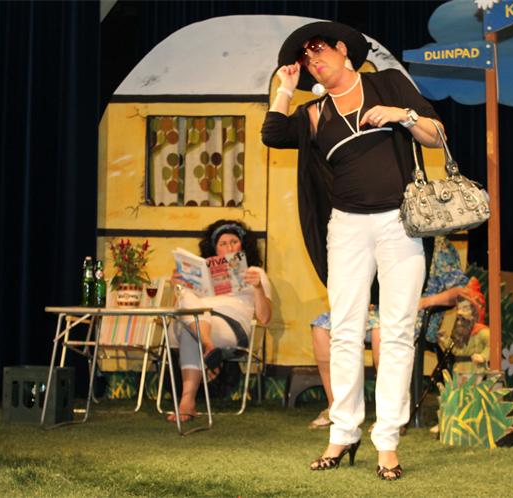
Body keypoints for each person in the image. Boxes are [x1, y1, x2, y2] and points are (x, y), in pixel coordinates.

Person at [262, 21, 445, 480]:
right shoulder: (314, 111)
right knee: (345, 330)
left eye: (319, 51)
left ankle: (388, 442)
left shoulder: (387, 83)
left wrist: (401, 115)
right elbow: (273, 132)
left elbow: (436, 134)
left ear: (343, 50)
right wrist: (285, 87)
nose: (313, 62)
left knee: (397, 330)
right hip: (346, 227)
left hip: (400, 223)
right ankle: (343, 433)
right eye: (306, 60)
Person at [308, 237, 469, 430]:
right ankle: (336, 408)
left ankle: (389, 416)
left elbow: (462, 291)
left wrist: (425, 302)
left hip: (416, 312)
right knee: (322, 327)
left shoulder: (438, 245)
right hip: (378, 309)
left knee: (382, 332)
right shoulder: (384, 237)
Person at [170, 219, 272, 423]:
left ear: (243, 245)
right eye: (223, 243)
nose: (229, 247)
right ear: (214, 249)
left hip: (231, 326)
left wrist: (258, 287)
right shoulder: (200, 275)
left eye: (233, 242)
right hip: (198, 322)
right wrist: (178, 287)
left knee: (190, 329)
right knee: (187, 300)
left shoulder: (255, 273)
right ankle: (208, 346)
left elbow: (265, 318)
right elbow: (177, 309)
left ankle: (187, 402)